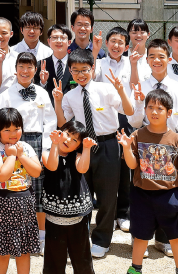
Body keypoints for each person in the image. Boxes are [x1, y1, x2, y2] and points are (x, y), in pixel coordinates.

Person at [54, 48, 133, 259]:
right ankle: (82, 236)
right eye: (76, 70)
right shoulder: (70, 96)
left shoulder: (106, 90)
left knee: (107, 196)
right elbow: (63, 123)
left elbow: (130, 111)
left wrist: (121, 90)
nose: (81, 74)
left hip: (107, 145)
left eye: (85, 69)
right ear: (70, 71)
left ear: (93, 68)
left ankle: (102, 239)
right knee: (82, 193)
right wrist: (58, 101)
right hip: (83, 148)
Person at [117, 89, 178, 274]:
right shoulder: (137, 135)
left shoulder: (176, 139)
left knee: (176, 237)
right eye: (150, 107)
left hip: (169, 196)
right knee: (140, 236)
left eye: (159, 108)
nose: (154, 112)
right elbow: (133, 164)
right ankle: (136, 269)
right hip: (141, 194)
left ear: (169, 113)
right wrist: (126, 147)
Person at [127, 39, 178, 256]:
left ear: (169, 59)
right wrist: (138, 104)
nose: (157, 60)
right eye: (152, 57)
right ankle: (140, 239)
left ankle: (164, 238)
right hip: (145, 149)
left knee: (168, 196)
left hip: (171, 148)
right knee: (144, 195)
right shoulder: (140, 86)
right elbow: (134, 122)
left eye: (161, 56)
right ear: (146, 60)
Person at [0, 52, 57, 254]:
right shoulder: (6, 94)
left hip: (38, 141)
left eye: (29, 67)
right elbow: (2, 122)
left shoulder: (42, 92)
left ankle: (41, 236)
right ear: (15, 69)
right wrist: (7, 147)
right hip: (15, 142)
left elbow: (50, 121)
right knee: (17, 188)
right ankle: (15, 235)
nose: (25, 71)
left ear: (36, 70)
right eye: (21, 67)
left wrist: (46, 148)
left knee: (39, 190)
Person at [0, 108, 43, 274]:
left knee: (24, 248)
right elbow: (1, 175)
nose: (13, 133)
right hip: (2, 201)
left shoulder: (25, 147)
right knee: (2, 248)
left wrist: (20, 155)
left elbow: (36, 172)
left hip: (25, 201)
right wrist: (10, 156)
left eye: (17, 128)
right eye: (7, 130)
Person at [40, 122, 96, 274]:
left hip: (78, 210)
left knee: (80, 248)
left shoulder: (78, 154)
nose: (69, 141)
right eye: (67, 134)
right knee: (54, 247)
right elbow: (52, 166)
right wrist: (55, 144)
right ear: (60, 132)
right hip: (55, 210)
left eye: (75, 140)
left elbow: (82, 169)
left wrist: (86, 149)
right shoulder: (47, 150)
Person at [95, 26, 134, 232]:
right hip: (104, 118)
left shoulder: (132, 63)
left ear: (126, 46)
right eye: (113, 41)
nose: (116, 45)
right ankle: (107, 212)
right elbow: (90, 79)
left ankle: (123, 212)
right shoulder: (99, 63)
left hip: (126, 117)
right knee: (107, 170)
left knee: (125, 168)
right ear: (106, 44)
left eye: (121, 42)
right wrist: (94, 52)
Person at [40, 24, 74, 104]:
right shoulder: (41, 65)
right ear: (49, 41)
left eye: (62, 38)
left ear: (69, 42)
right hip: (48, 111)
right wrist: (43, 83)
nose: (59, 41)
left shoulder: (76, 65)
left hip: (71, 112)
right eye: (54, 38)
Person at [128, 18, 151, 85]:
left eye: (142, 32)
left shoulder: (153, 55)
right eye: (134, 32)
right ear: (128, 34)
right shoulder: (123, 56)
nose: (138, 35)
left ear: (148, 34)